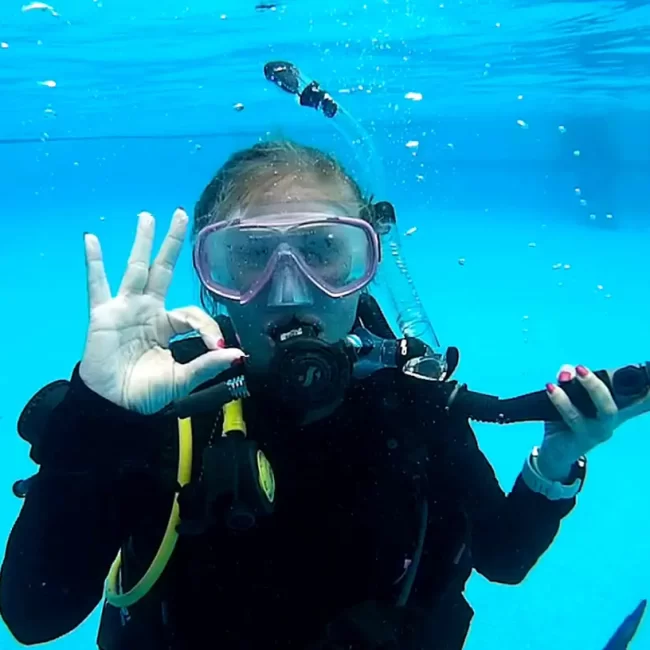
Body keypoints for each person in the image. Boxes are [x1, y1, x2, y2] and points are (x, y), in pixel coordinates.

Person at [1, 140, 649, 650]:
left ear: (364, 265)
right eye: (249, 257)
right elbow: (33, 616)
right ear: (213, 280)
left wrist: (555, 462)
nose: (289, 288)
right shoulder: (168, 403)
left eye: (322, 251)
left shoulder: (413, 399)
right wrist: (99, 413)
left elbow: (503, 557)